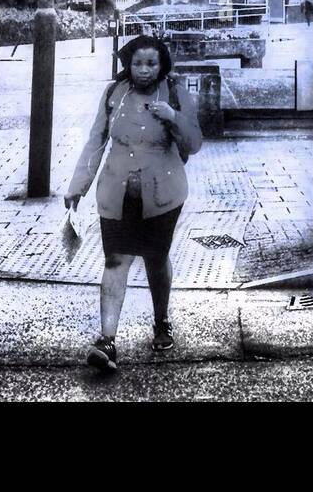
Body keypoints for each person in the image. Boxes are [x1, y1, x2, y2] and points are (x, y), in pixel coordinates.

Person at [65, 35, 203, 373]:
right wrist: (77, 187)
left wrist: (172, 115)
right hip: (116, 191)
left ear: (162, 65)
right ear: (129, 63)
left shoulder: (175, 92)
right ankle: (107, 341)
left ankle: (161, 322)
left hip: (163, 194)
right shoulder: (114, 94)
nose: (143, 70)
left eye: (151, 64)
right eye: (137, 63)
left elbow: (195, 142)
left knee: (156, 258)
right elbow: (96, 140)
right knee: (115, 259)